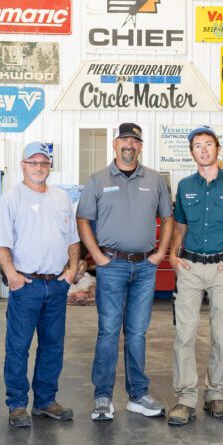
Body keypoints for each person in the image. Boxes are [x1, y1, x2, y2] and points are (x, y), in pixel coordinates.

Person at [77, 122, 174, 421]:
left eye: (134, 141)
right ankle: (103, 397)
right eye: (124, 140)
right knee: (108, 332)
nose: (129, 145)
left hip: (145, 267)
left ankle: (138, 395)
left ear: (141, 146)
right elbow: (82, 219)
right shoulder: (97, 180)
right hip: (112, 266)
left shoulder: (155, 180)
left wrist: (160, 253)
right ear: (115, 144)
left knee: (137, 333)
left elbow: (168, 218)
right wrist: (96, 255)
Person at [166, 126, 223, 426]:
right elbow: (180, 224)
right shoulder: (185, 185)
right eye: (197, 145)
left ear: (218, 148)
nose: (203, 150)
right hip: (189, 268)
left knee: (222, 335)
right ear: (191, 152)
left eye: (208, 144)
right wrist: (173, 254)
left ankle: (215, 394)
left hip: (222, 269)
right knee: (184, 335)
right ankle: (185, 398)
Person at [0, 141, 81, 428]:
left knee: (53, 345)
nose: (39, 167)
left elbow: (73, 239)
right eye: (33, 162)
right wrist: (12, 276)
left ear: (50, 166)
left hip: (56, 285)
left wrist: (71, 271)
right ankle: (17, 404)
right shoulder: (11, 199)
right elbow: (0, 243)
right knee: (18, 347)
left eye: (44, 163)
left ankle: (45, 401)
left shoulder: (61, 198)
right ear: (23, 165)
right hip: (26, 285)